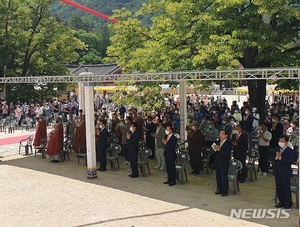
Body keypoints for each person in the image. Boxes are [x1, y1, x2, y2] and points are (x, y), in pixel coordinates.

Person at [273, 135, 295, 210]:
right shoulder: (277, 149)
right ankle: (281, 201)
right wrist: (276, 157)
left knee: (286, 188)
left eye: (282, 141)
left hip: (285, 172)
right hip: (277, 171)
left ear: (286, 142)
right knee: (279, 188)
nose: (280, 143)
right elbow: (273, 158)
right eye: (280, 141)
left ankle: (288, 203)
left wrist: (281, 158)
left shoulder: (290, 151)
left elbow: (290, 161)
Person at [213, 129, 232, 196]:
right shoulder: (218, 142)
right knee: (218, 176)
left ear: (226, 135)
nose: (220, 135)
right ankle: (220, 189)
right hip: (217, 161)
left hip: (224, 162)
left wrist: (219, 150)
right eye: (220, 133)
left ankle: (225, 190)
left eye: (222, 133)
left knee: (224, 176)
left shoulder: (228, 143)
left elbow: (227, 154)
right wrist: (215, 149)